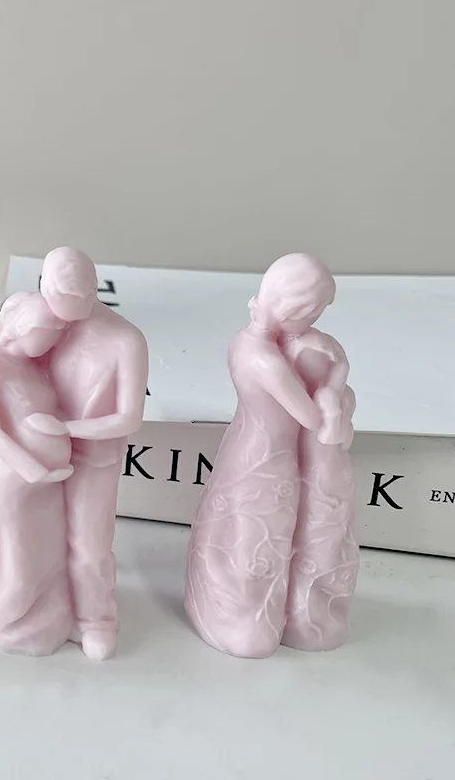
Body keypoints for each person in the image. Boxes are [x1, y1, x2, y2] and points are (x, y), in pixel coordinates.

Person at [185, 254, 338, 658]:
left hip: (241, 444)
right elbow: (310, 416)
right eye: (315, 312)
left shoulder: (244, 340)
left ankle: (235, 614)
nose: (316, 321)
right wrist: (334, 378)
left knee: (234, 530)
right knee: (256, 540)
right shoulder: (267, 361)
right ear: (294, 310)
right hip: (269, 459)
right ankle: (241, 622)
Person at [33, 247, 149, 661]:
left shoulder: (126, 340)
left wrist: (69, 429)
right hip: (38, 450)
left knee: (88, 544)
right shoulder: (42, 322)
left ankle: (95, 618)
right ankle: (43, 609)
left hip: (93, 457)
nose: (65, 313)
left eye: (77, 300)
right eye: (56, 299)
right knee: (35, 535)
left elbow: (129, 417)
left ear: (93, 290)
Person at [0, 292, 75, 656]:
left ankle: (49, 621)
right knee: (17, 564)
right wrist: (33, 469)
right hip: (7, 482)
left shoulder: (37, 367)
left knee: (48, 559)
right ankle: (8, 626)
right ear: (23, 328)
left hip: (46, 487)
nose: (50, 343)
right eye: (46, 334)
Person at [281, 328, 359, 651]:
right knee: (308, 547)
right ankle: (299, 616)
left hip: (324, 480)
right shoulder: (315, 397)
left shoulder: (329, 398)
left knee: (320, 546)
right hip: (319, 478)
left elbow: (334, 436)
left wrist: (332, 399)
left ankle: (309, 618)